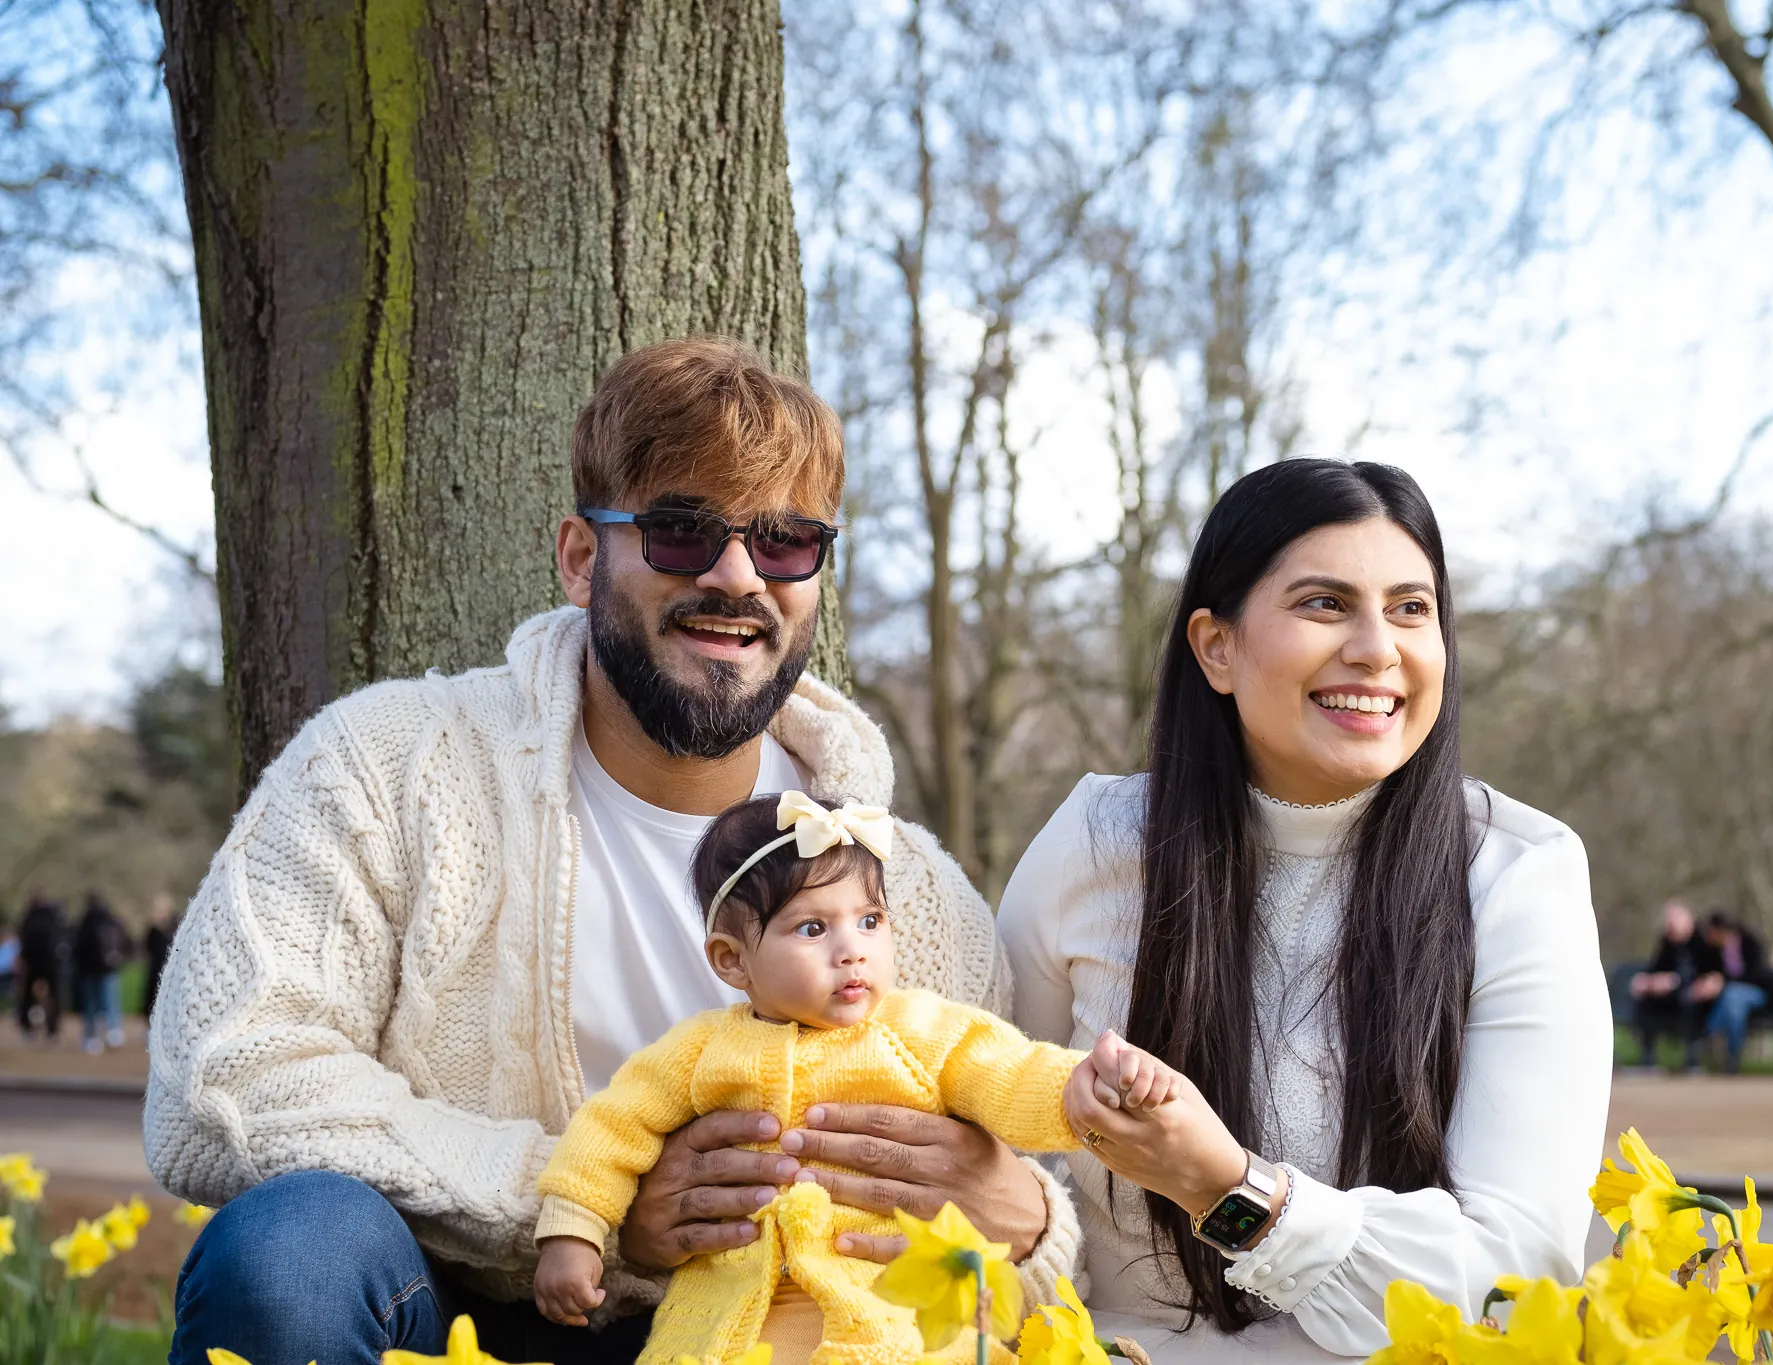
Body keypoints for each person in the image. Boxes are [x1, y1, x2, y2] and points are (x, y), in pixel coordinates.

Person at [148, 339, 1083, 1365]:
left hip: (770, 1338)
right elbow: (226, 1080)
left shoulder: (909, 894)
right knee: (291, 1255)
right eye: (683, 531)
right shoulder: (387, 766)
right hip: (451, 1313)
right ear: (582, 557)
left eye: (784, 543)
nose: (737, 577)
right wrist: (580, 1206)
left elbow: (1026, 1224)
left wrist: (1028, 1220)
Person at [999, 459, 1613, 1361]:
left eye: (1411, 608)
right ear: (1216, 647)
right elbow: (997, 1154)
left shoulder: (1517, 875)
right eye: (1326, 604)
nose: (1377, 648)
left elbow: (1514, 1271)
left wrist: (1231, 1190)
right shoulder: (1094, 842)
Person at [532, 792, 1172, 1363]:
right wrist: (573, 1230)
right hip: (725, 1327)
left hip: (893, 1319)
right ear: (733, 960)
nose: (852, 949)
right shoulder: (700, 1051)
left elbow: (1005, 1069)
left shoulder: (917, 1029)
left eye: (870, 920)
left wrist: (1084, 1086)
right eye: (813, 928)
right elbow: (613, 1125)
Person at [1628, 901, 1721, 1070]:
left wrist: (1711, 982)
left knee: (1689, 1000)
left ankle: (1692, 1058)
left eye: (1674, 922)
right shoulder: (1667, 943)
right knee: (1644, 1000)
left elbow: (1715, 973)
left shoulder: (1703, 940)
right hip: (1671, 997)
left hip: (1698, 999)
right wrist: (1651, 982)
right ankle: (1648, 1057)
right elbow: (1656, 969)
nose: (1670, 928)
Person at [1699, 911, 1772, 1073]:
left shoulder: (1750, 942)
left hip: (1756, 993)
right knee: (1732, 1002)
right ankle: (1731, 1053)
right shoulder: (1713, 951)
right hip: (1728, 1001)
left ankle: (1712, 1033)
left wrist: (1724, 982)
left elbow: (1759, 974)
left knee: (1733, 995)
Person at [73, 893, 132, 1053]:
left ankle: (91, 1037)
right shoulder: (113, 921)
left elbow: (78, 947)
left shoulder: (85, 922)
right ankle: (114, 1031)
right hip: (110, 968)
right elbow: (127, 943)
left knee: (91, 1004)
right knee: (111, 1001)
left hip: (89, 970)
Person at [15, 895, 65, 1044]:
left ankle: (26, 1028)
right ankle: (53, 1030)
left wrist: (23, 958)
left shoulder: (29, 919)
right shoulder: (53, 918)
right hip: (51, 964)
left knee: (27, 997)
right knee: (54, 997)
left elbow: (24, 942)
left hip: (32, 963)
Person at [143, 891, 179, 1024]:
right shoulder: (154, 927)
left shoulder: (175, 924)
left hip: (168, 966)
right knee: (153, 996)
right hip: (157, 966)